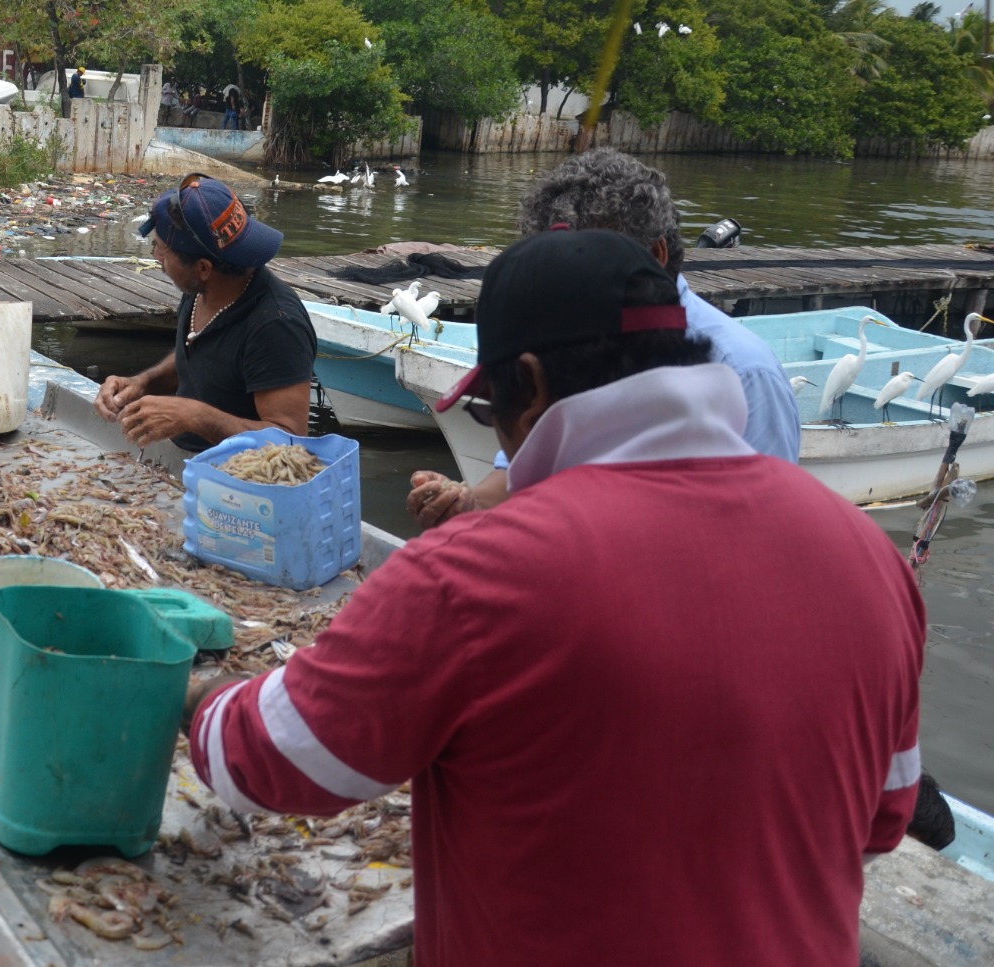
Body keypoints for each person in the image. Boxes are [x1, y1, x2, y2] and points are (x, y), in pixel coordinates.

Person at [186, 228, 924, 967]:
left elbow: (265, 759)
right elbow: (884, 819)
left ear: (529, 385)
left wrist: (197, 692)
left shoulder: (475, 575)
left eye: (486, 408)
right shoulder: (873, 561)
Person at [407, 148, 801, 528]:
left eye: (586, 260)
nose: (559, 285)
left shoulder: (746, 371)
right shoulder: (566, 336)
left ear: (656, 254)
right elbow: (523, 470)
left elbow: (764, 525)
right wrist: (471, 504)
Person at [93, 174, 316, 452]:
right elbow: (201, 354)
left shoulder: (276, 325)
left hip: (240, 486)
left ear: (203, 268)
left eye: (161, 250)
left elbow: (291, 440)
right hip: (187, 466)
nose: (156, 258)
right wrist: (143, 382)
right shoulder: (202, 289)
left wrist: (194, 416)